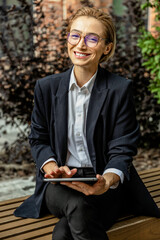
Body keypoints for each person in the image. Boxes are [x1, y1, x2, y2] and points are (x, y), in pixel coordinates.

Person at [14, 7, 160, 240]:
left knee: (63, 233)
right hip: (60, 187)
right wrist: (53, 170)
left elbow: (123, 148)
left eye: (92, 39)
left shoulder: (119, 90)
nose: (81, 45)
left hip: (105, 187)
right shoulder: (46, 88)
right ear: (68, 39)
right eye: (75, 35)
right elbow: (38, 139)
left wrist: (106, 182)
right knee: (78, 207)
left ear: (107, 48)